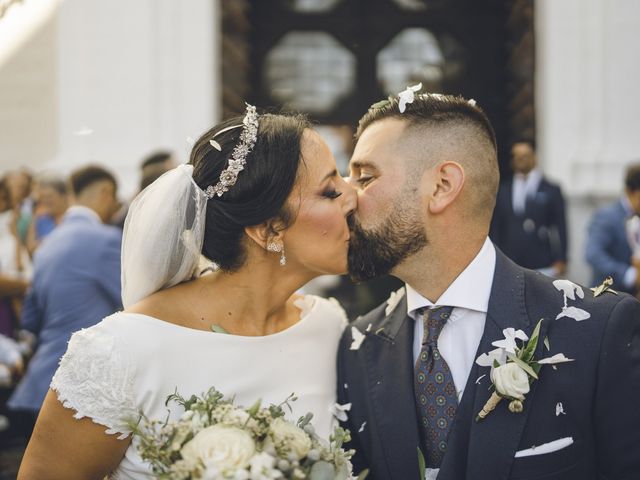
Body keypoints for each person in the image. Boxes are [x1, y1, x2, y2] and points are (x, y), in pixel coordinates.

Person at [18, 106, 356, 479]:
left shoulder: (329, 326)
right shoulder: (118, 352)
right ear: (269, 229)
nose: (353, 196)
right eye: (330, 190)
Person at [338, 92, 640, 479]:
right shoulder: (357, 348)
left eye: (365, 177)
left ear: (442, 185)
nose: (346, 198)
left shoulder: (598, 332)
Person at [8, 166, 122, 425]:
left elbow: (29, 319)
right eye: (114, 199)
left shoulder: (47, 244)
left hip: (40, 384)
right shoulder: (106, 240)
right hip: (81, 389)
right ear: (106, 192)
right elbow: (134, 306)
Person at [490, 140, 567, 277]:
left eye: (525, 155)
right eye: (516, 156)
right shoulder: (503, 189)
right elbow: (496, 226)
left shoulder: (551, 189)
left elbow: (560, 226)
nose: (520, 160)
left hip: (542, 259)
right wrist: (494, 255)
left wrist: (561, 258)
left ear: (534, 157)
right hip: (510, 260)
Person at [585, 163, 640, 294]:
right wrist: (628, 274)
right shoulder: (606, 217)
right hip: (608, 297)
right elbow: (593, 254)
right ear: (632, 192)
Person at [25, 174, 69, 256]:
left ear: (64, 196)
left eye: (49, 196)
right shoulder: (41, 220)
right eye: (42, 197)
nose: (45, 201)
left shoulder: (73, 216)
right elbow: (32, 249)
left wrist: (44, 242)